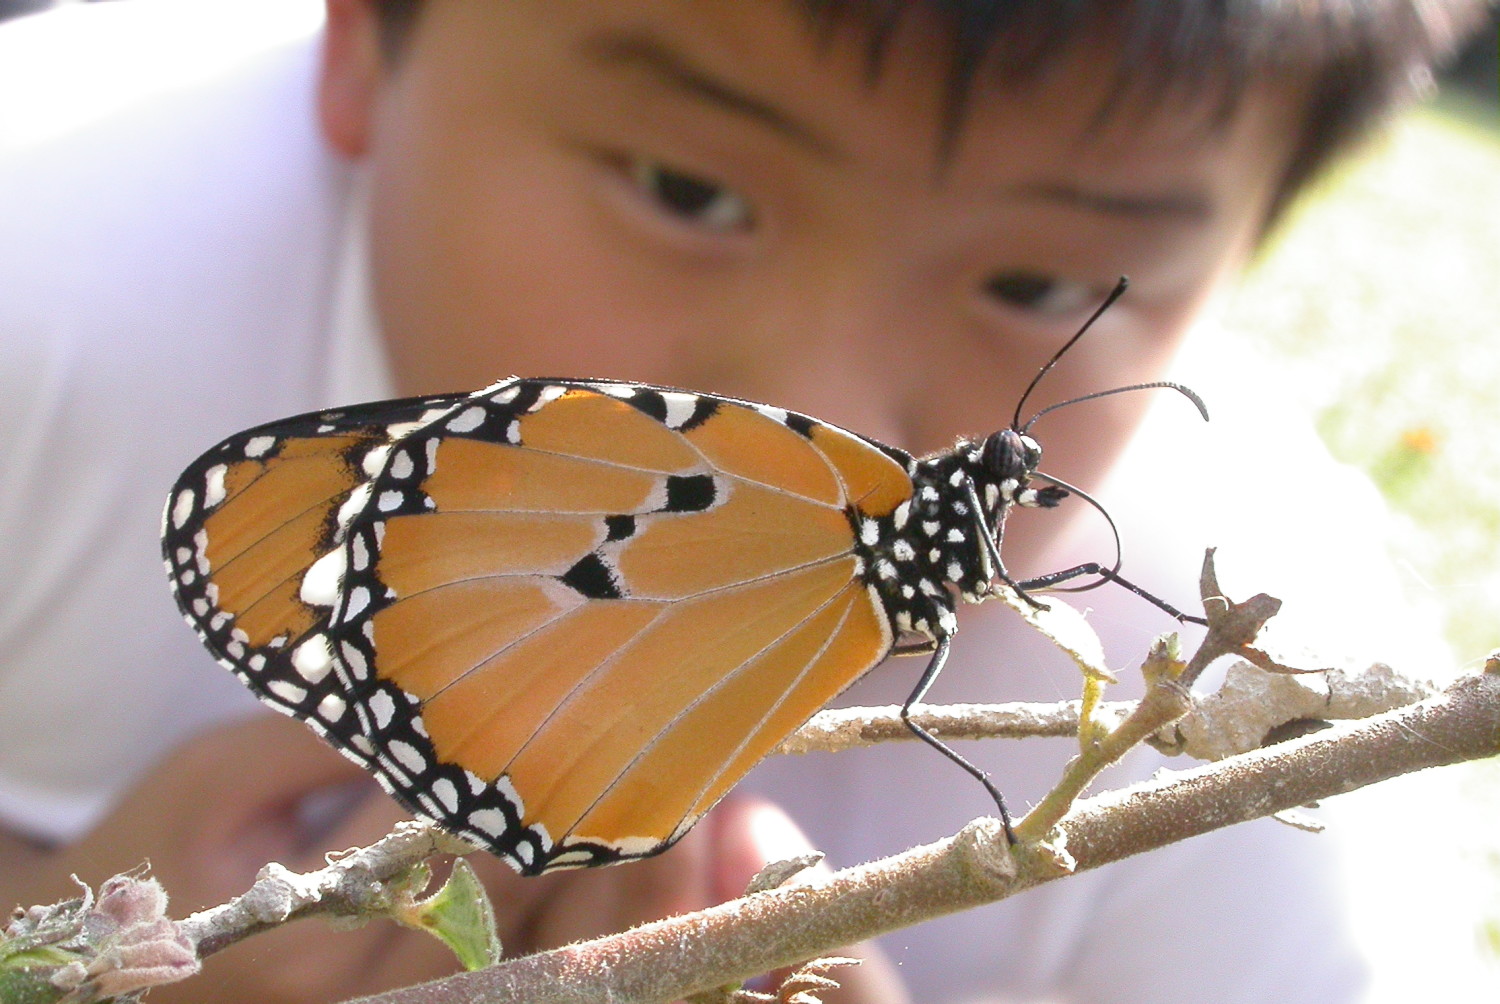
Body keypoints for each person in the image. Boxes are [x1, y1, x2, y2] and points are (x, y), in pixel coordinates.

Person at [0, 1, 1484, 1001]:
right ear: (358, 42)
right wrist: (62, 947)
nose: (830, 397)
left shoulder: (1275, 728)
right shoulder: (45, 254)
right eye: (685, 188)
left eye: (1031, 283)